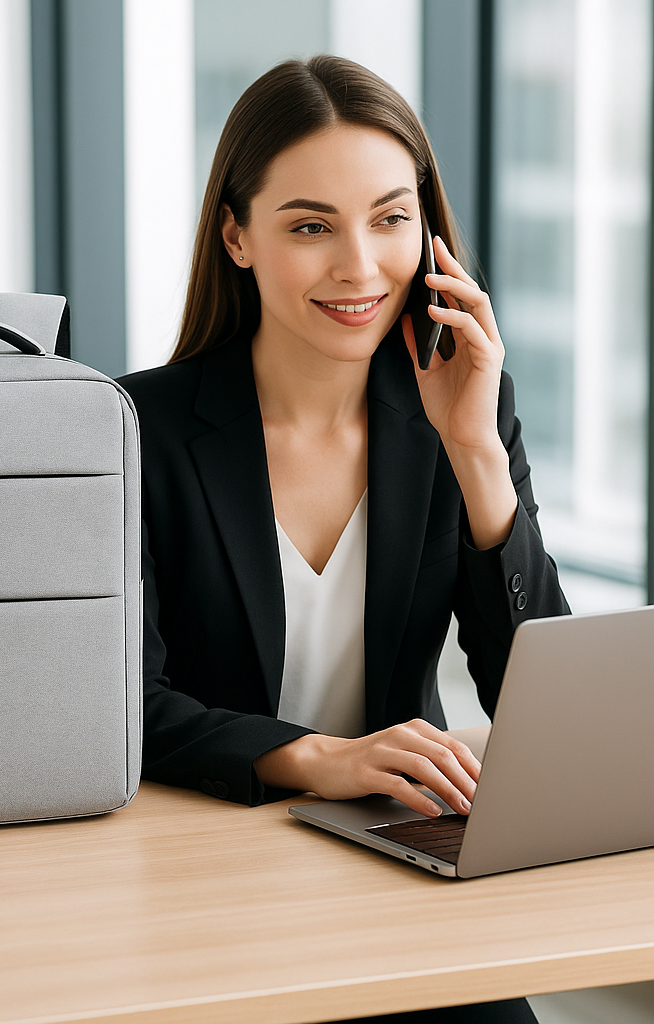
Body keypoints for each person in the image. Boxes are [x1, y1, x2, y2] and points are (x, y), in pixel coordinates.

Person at [117, 55, 570, 1024]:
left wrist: (475, 456)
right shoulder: (135, 429)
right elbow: (112, 705)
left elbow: (538, 704)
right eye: (310, 225)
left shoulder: (461, 413)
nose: (359, 264)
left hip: (401, 860)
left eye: (390, 216)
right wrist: (313, 755)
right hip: (198, 871)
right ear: (236, 234)